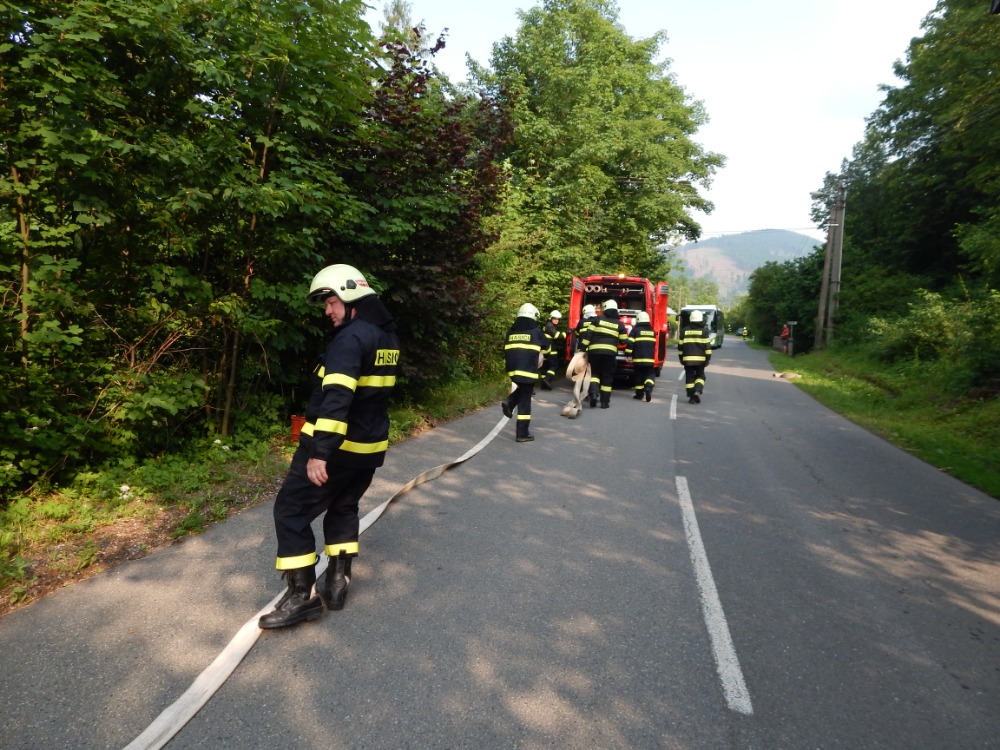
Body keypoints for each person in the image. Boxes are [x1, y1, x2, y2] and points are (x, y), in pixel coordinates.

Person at [258, 264, 400, 629]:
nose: (327, 311)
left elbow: (337, 398)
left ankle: (301, 598)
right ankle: (337, 582)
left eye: (331, 302)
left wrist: (320, 453)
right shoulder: (386, 338)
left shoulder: (350, 339)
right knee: (343, 505)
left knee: (290, 509)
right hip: (368, 449)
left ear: (351, 298)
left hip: (336, 449)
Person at [501, 303, 548, 442]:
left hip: (512, 370)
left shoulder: (510, 331)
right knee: (525, 402)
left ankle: (510, 402)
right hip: (528, 370)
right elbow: (548, 347)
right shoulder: (536, 331)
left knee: (523, 389)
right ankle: (522, 434)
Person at [581, 299, 627, 409]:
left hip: (594, 351)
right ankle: (604, 403)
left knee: (594, 373)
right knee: (607, 377)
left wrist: (582, 348)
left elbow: (588, 334)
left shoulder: (597, 319)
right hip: (610, 353)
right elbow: (624, 340)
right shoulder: (619, 324)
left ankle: (593, 394)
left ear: (605, 309)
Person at [678, 308, 711, 404]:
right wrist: (707, 359)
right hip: (701, 360)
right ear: (701, 319)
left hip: (687, 360)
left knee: (689, 378)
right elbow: (708, 348)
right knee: (701, 376)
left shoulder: (684, 331)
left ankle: (691, 397)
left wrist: (681, 358)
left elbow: (680, 347)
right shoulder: (704, 332)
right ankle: (697, 391)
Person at [626, 310, 656, 402]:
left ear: (638, 319)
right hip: (649, 359)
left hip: (638, 359)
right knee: (650, 375)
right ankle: (648, 388)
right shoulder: (652, 331)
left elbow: (630, 343)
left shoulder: (635, 330)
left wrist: (628, 354)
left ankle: (639, 395)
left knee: (638, 376)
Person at [539, 310, 566, 390]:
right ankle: (547, 379)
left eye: (558, 319)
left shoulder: (547, 325)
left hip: (544, 349)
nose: (556, 320)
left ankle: (543, 385)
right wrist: (566, 332)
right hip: (550, 350)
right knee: (554, 365)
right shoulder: (550, 326)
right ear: (551, 318)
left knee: (544, 367)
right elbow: (558, 336)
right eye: (555, 318)